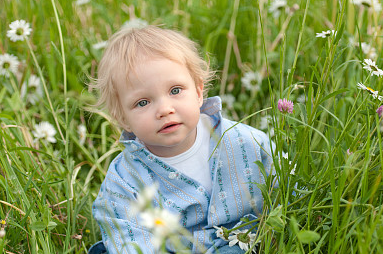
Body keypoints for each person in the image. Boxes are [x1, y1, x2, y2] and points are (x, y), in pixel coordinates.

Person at [90, 25, 275, 254]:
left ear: (198, 92)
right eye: (143, 103)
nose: (165, 109)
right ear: (123, 119)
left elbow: (285, 189)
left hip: (245, 241)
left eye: (175, 90)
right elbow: (128, 239)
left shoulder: (245, 143)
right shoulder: (125, 181)